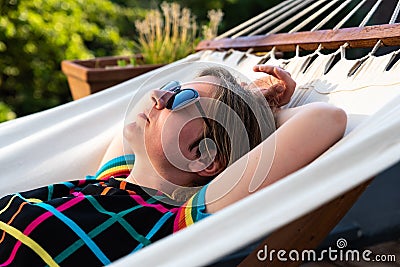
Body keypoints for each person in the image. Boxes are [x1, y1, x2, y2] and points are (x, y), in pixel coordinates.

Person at [0, 65, 347, 266]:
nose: (158, 96)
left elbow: (324, 119)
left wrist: (260, 106)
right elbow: (125, 138)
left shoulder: (165, 225)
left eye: (181, 99)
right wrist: (251, 94)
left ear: (205, 156)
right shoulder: (111, 182)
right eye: (170, 88)